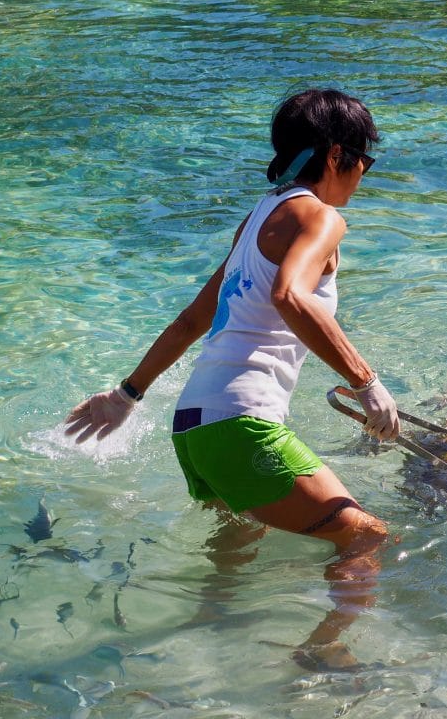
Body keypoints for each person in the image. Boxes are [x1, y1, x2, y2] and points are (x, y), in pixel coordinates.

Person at [65, 88, 399, 667]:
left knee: (244, 529)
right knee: (366, 535)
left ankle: (209, 626)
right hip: (240, 425)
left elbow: (195, 317)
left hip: (193, 429)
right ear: (339, 153)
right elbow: (291, 296)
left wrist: (126, 395)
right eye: (367, 159)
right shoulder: (321, 216)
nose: (365, 173)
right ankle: (324, 650)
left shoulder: (258, 218)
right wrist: (367, 382)